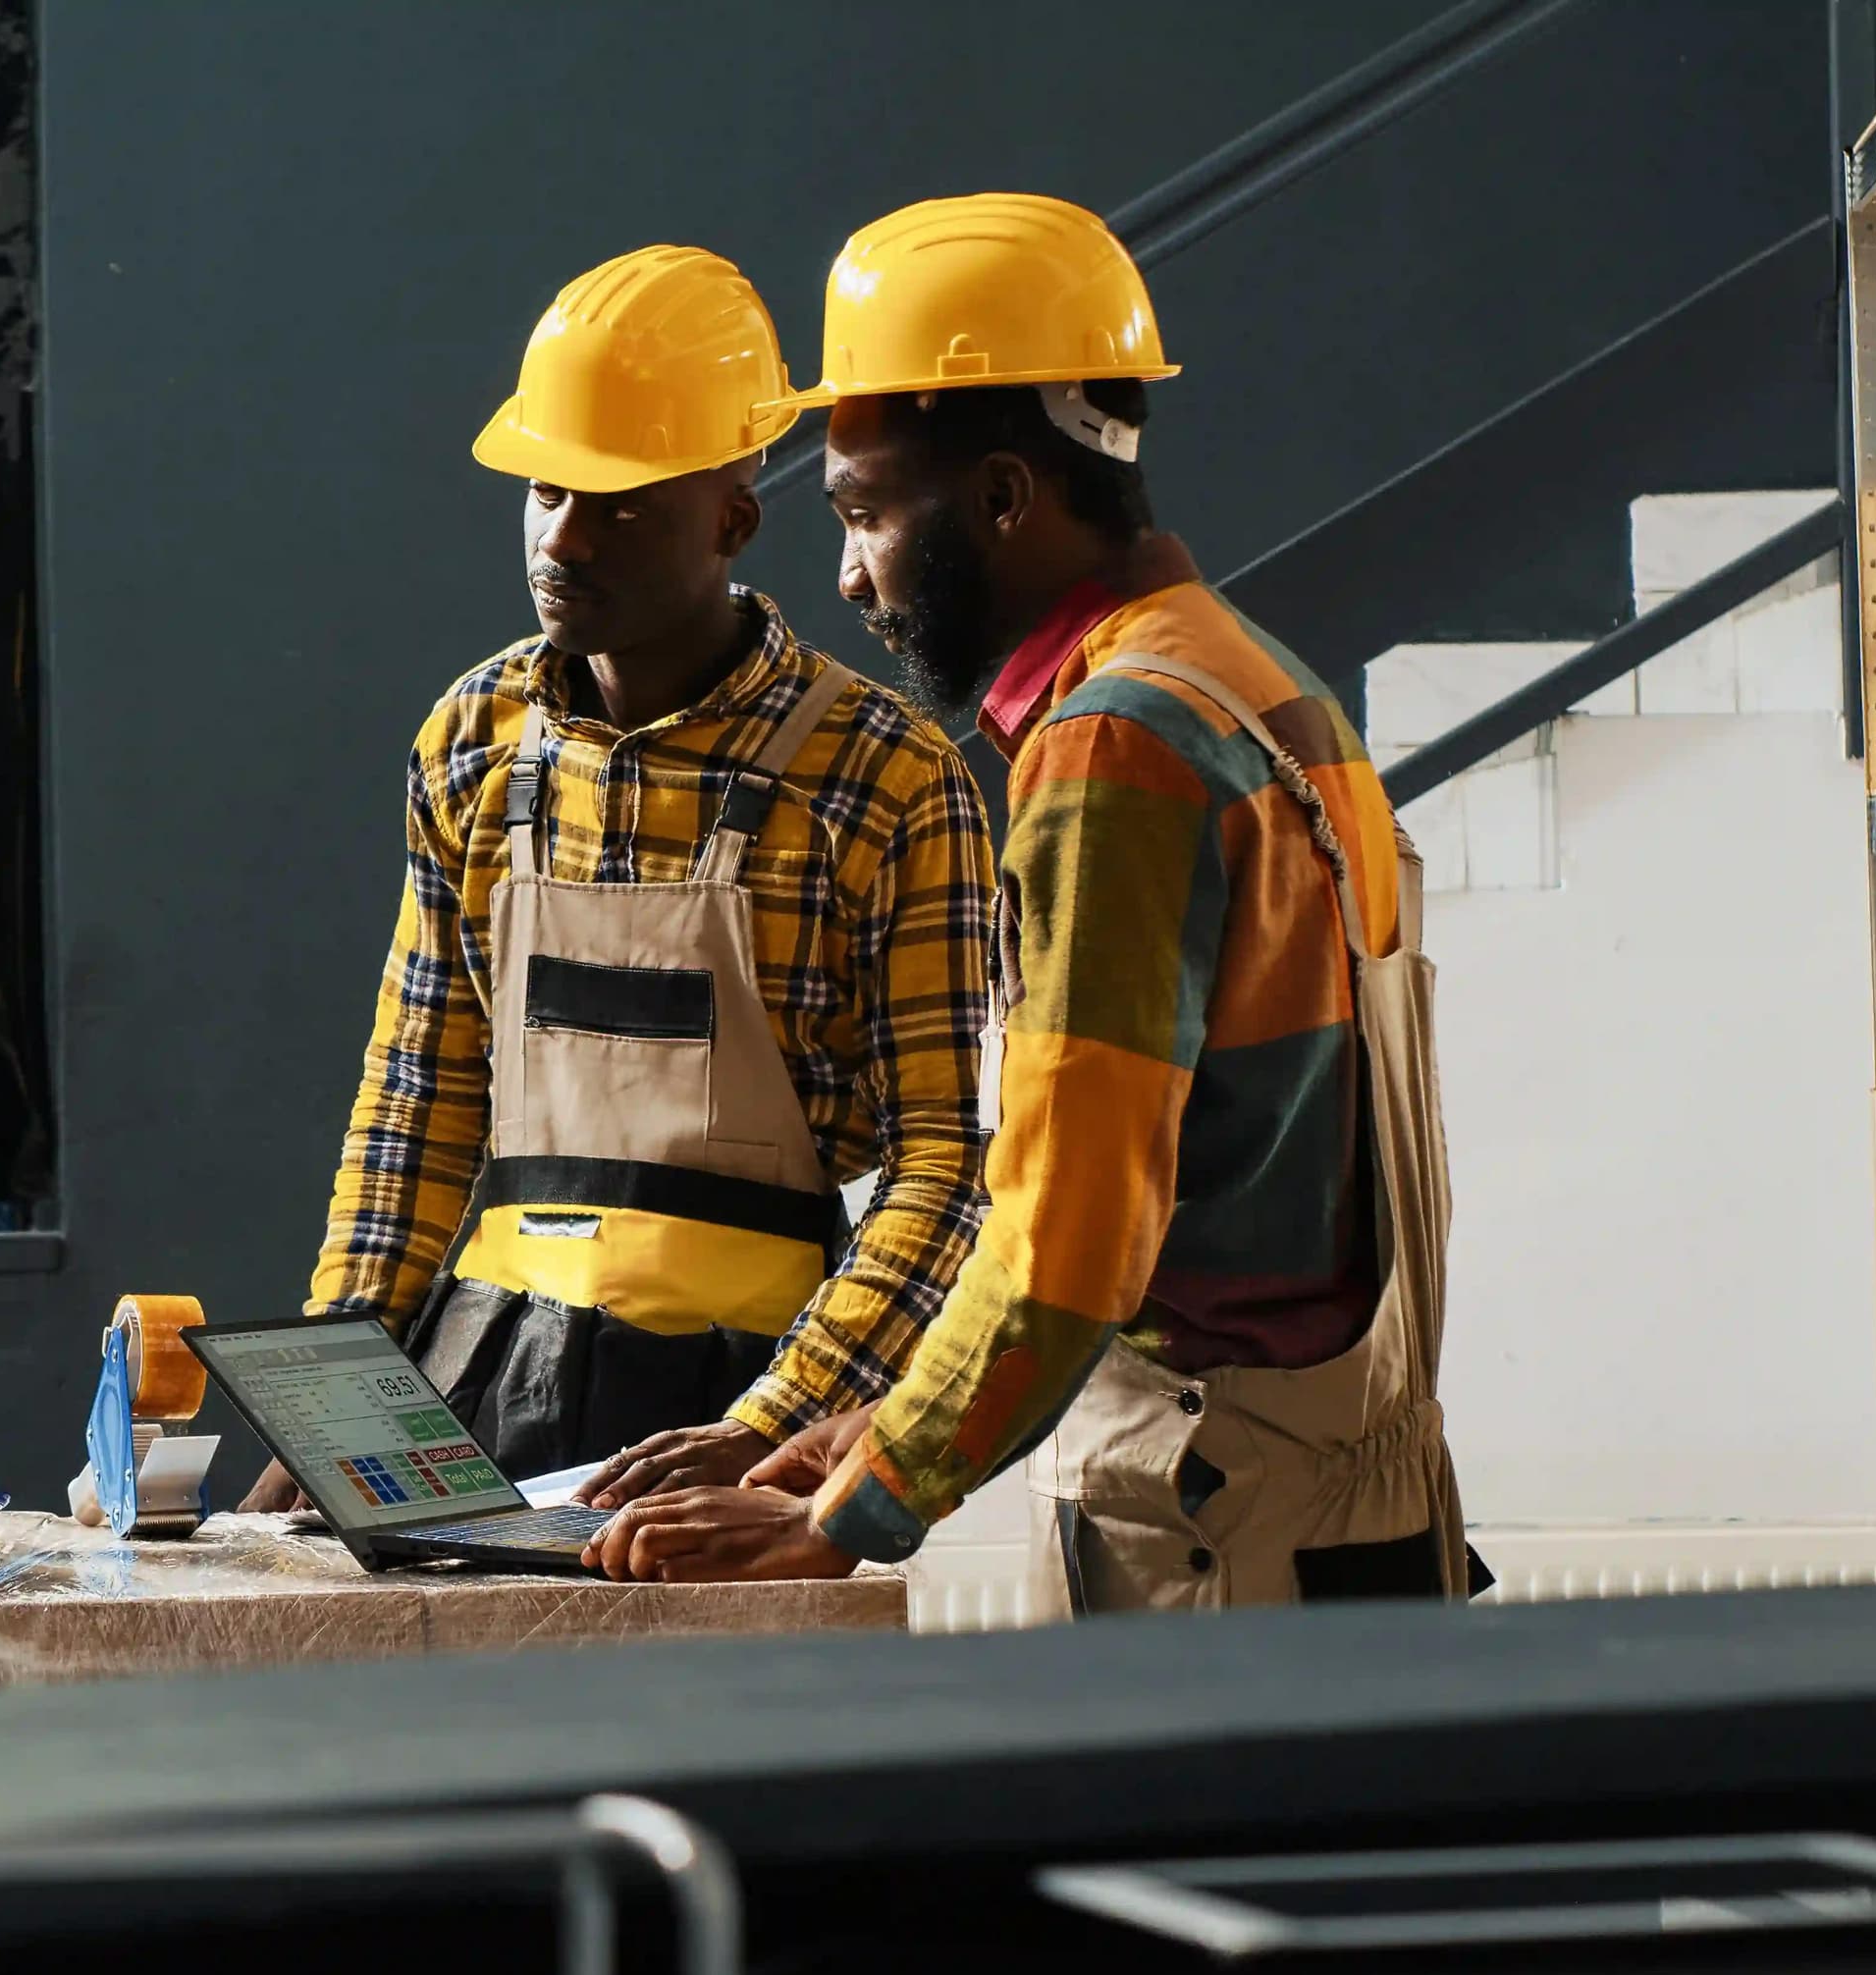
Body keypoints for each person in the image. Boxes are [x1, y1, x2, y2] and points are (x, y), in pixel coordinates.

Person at [583, 194, 1474, 1613]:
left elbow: (1072, 1233)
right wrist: (890, 1419)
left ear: (1003, 498)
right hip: (1352, 1525)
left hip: (1215, 1556)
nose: (847, 574)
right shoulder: (1251, 683)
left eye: (866, 513)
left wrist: (856, 1511)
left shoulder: (1117, 749)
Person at [247, 244, 993, 1510]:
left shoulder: (887, 779)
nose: (566, 540)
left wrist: (771, 1430)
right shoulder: (474, 741)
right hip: (477, 1389)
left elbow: (946, 1167)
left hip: (742, 1408)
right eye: (547, 490)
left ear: (734, 522)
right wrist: (327, 1411)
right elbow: (421, 1097)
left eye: (624, 507)